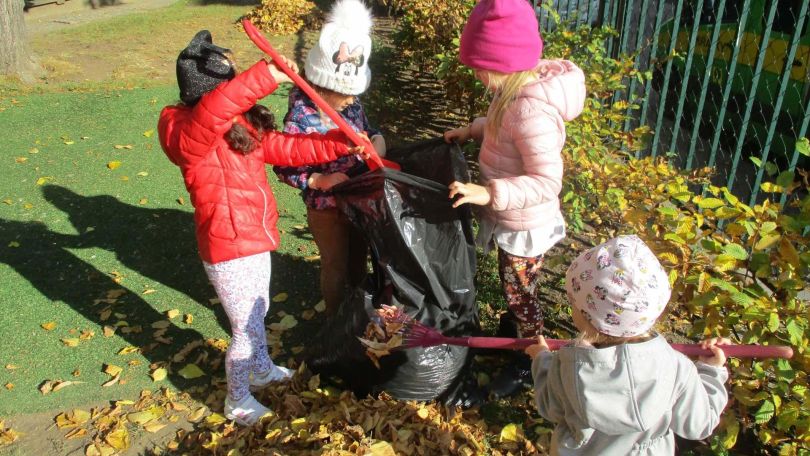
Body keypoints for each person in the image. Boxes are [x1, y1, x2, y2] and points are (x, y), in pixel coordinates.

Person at [158, 30, 362, 425]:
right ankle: (236, 400)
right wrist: (266, 75)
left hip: (253, 237)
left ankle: (262, 368)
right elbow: (212, 113)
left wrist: (338, 143)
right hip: (228, 244)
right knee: (245, 330)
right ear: (214, 93)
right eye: (232, 85)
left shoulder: (240, 127)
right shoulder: (189, 135)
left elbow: (287, 148)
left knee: (259, 310)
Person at [443, 0, 586, 396]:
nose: (475, 74)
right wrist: (472, 130)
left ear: (503, 63)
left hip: (528, 224)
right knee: (515, 288)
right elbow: (499, 125)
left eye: (479, 68)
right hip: (514, 216)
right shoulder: (513, 92)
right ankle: (513, 337)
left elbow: (545, 181)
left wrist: (489, 192)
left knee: (522, 294)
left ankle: (529, 359)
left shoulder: (531, 111)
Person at [525, 235, 730, 455]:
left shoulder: (570, 365)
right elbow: (699, 424)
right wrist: (711, 371)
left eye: (574, 302)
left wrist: (542, 359)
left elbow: (550, 406)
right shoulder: (676, 367)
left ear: (588, 317)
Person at [274, 0, 385, 315]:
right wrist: (318, 180)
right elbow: (284, 164)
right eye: (345, 93)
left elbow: (369, 129)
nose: (353, 99)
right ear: (321, 88)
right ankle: (336, 321)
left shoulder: (350, 105)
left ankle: (358, 310)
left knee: (357, 259)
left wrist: (377, 142)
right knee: (334, 265)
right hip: (325, 208)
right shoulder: (301, 116)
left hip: (359, 199)